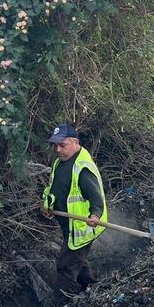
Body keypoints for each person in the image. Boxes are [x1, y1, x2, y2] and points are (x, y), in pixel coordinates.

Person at [41, 124, 107, 295]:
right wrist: (47, 205)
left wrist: (95, 214)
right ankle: (90, 287)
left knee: (66, 265)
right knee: (79, 260)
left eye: (62, 145)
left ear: (75, 142)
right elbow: (53, 188)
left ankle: (68, 299)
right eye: (55, 145)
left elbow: (96, 197)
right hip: (68, 224)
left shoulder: (82, 168)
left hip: (82, 226)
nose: (58, 149)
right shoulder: (59, 162)